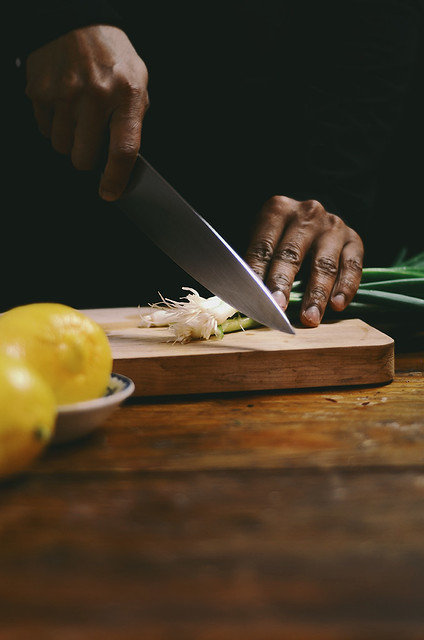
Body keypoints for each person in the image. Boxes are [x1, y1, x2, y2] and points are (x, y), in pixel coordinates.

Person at [6, 1, 423, 325]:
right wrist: (60, 14)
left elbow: (369, 45)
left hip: (240, 230)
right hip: (51, 209)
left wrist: (327, 196)